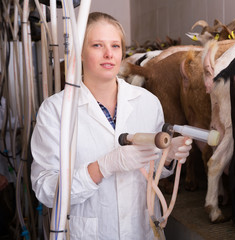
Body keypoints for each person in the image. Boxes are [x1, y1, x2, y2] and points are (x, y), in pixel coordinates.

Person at [30, 12, 192, 240]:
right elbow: (45, 190)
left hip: (142, 231)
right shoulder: (56, 110)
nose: (108, 54)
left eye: (115, 46)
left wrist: (167, 156)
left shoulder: (147, 102)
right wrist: (102, 167)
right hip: (90, 234)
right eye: (97, 45)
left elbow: (151, 172)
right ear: (79, 52)